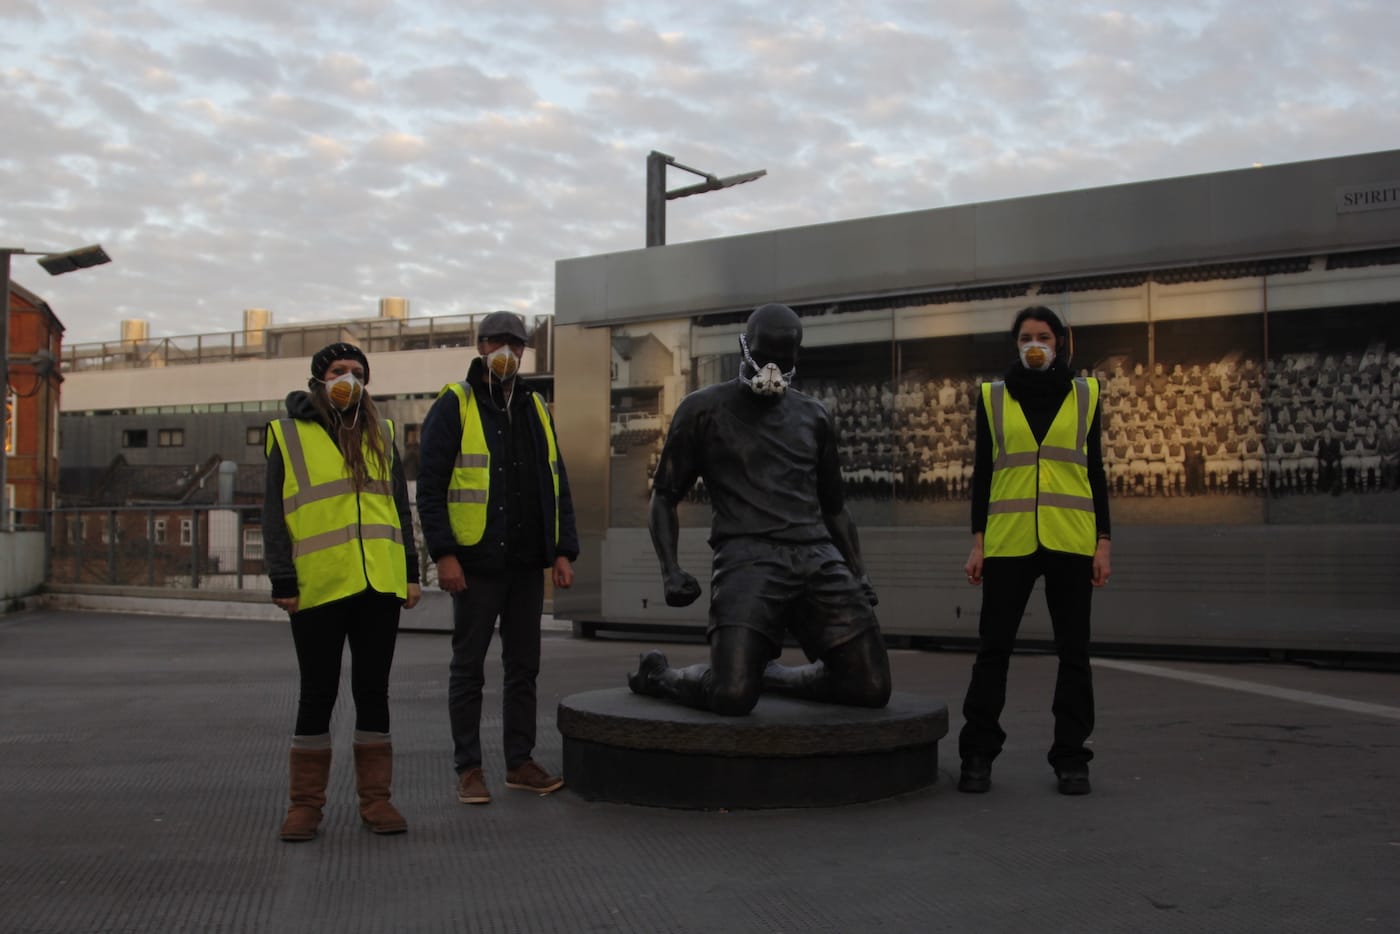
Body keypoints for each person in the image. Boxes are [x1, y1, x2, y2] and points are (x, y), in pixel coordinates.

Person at [626, 302, 892, 716]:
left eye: (783, 361)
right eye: (764, 358)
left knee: (871, 685)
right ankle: (659, 675)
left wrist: (858, 572)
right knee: (731, 695)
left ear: (796, 358)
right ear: (744, 348)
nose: (772, 369)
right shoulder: (702, 410)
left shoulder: (814, 416)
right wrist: (670, 570)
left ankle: (771, 675)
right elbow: (664, 496)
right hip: (747, 557)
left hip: (815, 555)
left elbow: (835, 508)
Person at [416, 311, 579, 806]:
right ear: (480, 346)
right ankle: (468, 768)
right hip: (476, 562)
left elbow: (557, 481)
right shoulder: (456, 404)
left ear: (525, 351)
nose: (507, 350)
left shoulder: (534, 406)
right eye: (498, 341)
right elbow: (431, 488)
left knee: (523, 667)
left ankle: (519, 762)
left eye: (516, 343)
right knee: (468, 668)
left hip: (527, 563)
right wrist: (444, 555)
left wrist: (563, 550)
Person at [264, 342, 421, 842]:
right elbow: (272, 514)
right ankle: (305, 806)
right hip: (319, 583)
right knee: (317, 694)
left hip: (379, 582)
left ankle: (377, 801)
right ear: (318, 378)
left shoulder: (383, 431)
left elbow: (399, 508)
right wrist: (281, 578)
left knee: (373, 693)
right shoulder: (286, 435)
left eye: (356, 372)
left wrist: (411, 572)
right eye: (337, 371)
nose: (348, 380)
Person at [959, 307, 1111, 796]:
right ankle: (978, 755)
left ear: (1061, 341)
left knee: (1074, 654)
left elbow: (1097, 472)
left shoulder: (1086, 394)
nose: (1034, 345)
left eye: (1043, 336)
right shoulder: (993, 397)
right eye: (1025, 337)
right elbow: (983, 473)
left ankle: (1071, 757)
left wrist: (1103, 542)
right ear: (1016, 344)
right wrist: (977, 541)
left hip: (1071, 538)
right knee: (993, 651)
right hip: (1009, 540)